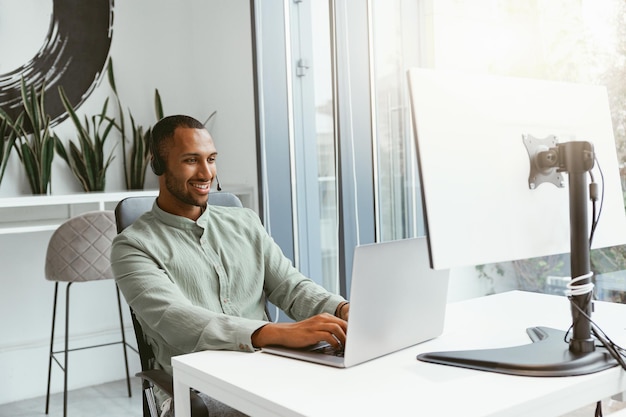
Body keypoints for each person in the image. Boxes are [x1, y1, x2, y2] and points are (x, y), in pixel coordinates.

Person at [111, 114, 350, 416]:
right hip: (195, 389)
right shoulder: (133, 246)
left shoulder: (244, 222)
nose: (206, 172)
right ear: (159, 164)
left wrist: (342, 310)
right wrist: (277, 333)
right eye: (191, 160)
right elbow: (179, 321)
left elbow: (291, 287)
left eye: (211, 159)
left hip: (268, 370)